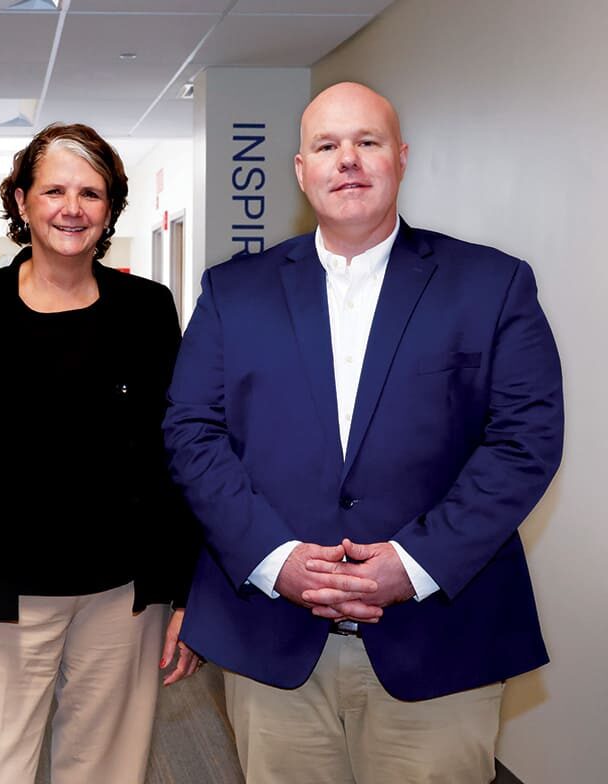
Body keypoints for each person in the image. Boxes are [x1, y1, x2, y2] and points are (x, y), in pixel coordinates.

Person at [162, 82, 563, 784]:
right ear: (300, 169)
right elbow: (192, 432)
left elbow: (525, 441)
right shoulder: (234, 292)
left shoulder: (491, 284)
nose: (347, 160)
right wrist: (273, 556)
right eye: (327, 145)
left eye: (367, 142)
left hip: (442, 638)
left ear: (401, 158)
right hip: (272, 638)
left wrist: (409, 567)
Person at [0, 122, 201, 784]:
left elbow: (175, 454)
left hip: (123, 595)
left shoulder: (147, 310)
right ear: (20, 201)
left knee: (106, 771)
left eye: (91, 193)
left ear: (110, 207)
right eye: (55, 190)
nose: (73, 209)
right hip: (0, 594)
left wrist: (185, 589)